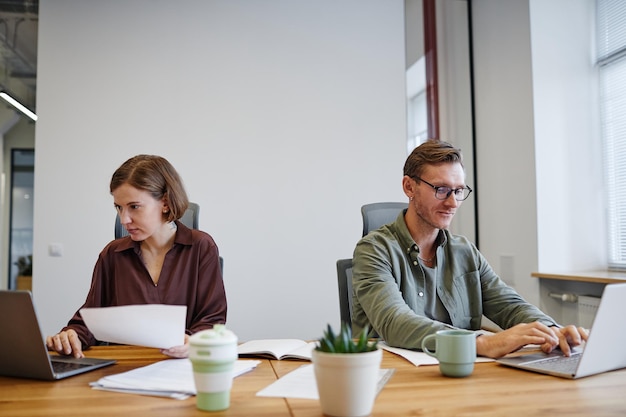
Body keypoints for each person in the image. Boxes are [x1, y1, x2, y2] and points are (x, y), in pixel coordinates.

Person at [351, 139, 587, 359]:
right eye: (441, 189)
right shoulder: (373, 251)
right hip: (398, 380)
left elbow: (509, 305)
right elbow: (395, 322)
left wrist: (551, 330)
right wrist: (484, 342)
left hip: (462, 373)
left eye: (458, 190)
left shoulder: (464, 252)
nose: (453, 202)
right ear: (409, 187)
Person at [46, 155, 227, 359]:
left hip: (182, 368)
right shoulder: (112, 255)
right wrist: (72, 336)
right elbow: (89, 320)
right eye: (119, 207)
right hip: (122, 369)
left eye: (134, 206)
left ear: (165, 203)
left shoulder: (201, 247)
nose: (124, 219)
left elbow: (212, 319)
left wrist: (193, 339)